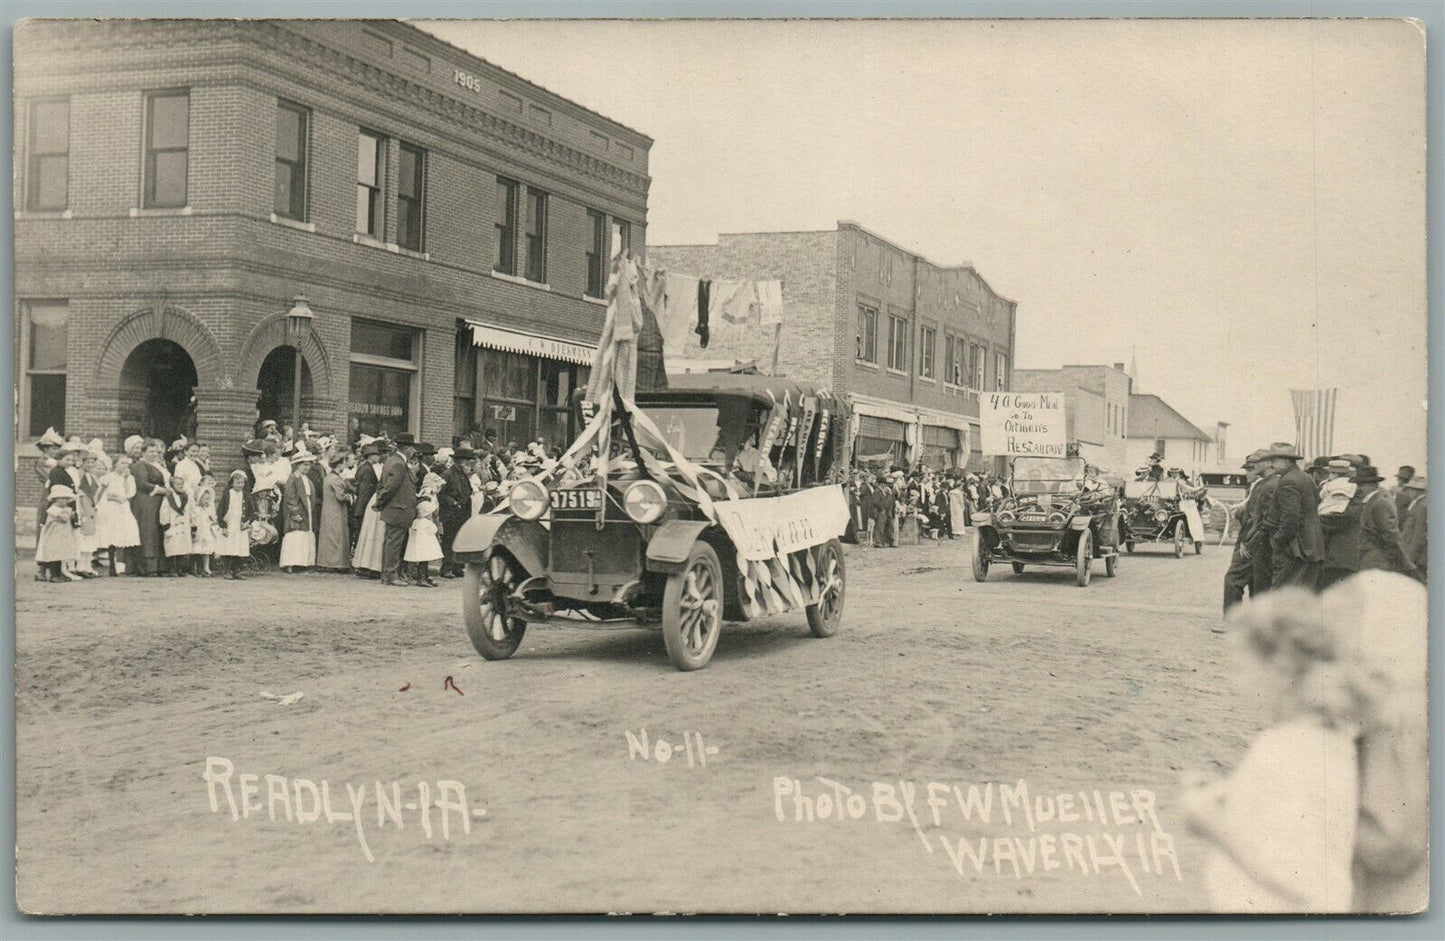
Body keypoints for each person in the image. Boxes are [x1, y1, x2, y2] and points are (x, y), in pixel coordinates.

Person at [1182, 587, 1362, 912]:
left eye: (1241, 666)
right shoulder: (1327, 737)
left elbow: (1304, 881)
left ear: (1278, 668)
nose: (1237, 681)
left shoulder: (1285, 748)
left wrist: (1209, 822)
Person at [1259, 443, 1323, 590]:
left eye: (1275, 460)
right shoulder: (1305, 478)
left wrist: (1277, 542)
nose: (1271, 464)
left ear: (1287, 461)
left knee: (1281, 597)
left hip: (1294, 550)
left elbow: (1290, 518)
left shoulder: (1288, 481)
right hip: (1310, 547)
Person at [1350, 465, 1420, 581]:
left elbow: (1391, 536)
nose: (1358, 488)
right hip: (1370, 561)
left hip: (1378, 562)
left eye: (1361, 485)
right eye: (1357, 484)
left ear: (1373, 485)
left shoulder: (1379, 503)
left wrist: (1406, 564)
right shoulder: (1370, 502)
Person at [1222, 450, 1268, 613]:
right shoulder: (1257, 486)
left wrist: (1246, 543)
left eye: (1250, 469)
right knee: (1257, 584)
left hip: (1250, 543)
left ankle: (1232, 620)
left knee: (1233, 580)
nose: (1247, 473)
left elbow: (1254, 518)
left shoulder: (1262, 486)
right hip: (1256, 543)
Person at [374, 433, 419, 587]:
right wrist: (381, 501)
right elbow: (390, 487)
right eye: (412, 447)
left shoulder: (391, 461)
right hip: (399, 509)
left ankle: (388, 574)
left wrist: (380, 502)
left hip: (396, 509)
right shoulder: (399, 463)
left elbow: (382, 484)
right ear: (406, 448)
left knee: (390, 542)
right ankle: (391, 575)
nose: (413, 451)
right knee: (394, 543)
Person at [131, 438, 171, 576]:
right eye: (151, 451)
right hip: (146, 501)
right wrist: (162, 490)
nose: (154, 454)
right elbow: (143, 484)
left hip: (159, 502)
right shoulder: (140, 465)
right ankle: (147, 568)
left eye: (156, 451)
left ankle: (161, 566)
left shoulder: (159, 465)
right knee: (149, 532)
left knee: (158, 531)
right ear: (143, 452)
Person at [95, 453, 140, 576]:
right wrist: (110, 497)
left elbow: (130, 492)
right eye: (122, 463)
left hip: (124, 506)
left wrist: (125, 478)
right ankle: (112, 566)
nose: (125, 466)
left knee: (128, 532)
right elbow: (100, 492)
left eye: (126, 463)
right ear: (115, 464)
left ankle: (128, 566)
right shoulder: (108, 477)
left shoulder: (129, 478)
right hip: (111, 507)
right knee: (112, 535)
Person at [438, 445, 477, 578]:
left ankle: (457, 566)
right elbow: (440, 493)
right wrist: (453, 502)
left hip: (463, 512)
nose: (469, 464)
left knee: (460, 539)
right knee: (449, 540)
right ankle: (447, 567)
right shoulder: (447, 474)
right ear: (460, 461)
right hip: (452, 512)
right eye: (467, 461)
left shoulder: (464, 475)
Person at [279, 450, 320, 572]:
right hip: (298, 509)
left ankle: (303, 562)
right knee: (295, 535)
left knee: (305, 535)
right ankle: (290, 563)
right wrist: (295, 513)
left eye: (308, 464)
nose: (307, 467)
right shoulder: (293, 478)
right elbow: (290, 497)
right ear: (297, 465)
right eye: (304, 464)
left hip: (307, 508)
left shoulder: (307, 479)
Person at [405, 472, 446, 588]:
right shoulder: (427, 495)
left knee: (426, 552)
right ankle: (420, 577)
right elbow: (425, 510)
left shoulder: (431, 495)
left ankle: (424, 576)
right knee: (422, 552)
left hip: (427, 524)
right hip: (423, 525)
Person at [36, 485, 81, 583]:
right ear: (55, 499)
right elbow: (64, 518)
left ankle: (59, 574)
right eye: (62, 498)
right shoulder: (53, 509)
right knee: (54, 556)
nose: (64, 501)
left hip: (61, 537)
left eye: (66, 499)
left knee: (61, 555)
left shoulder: (64, 509)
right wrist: (69, 513)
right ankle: (54, 575)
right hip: (53, 537)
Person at [316, 451, 353, 573]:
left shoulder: (328, 478)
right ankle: (336, 563)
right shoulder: (336, 480)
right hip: (336, 511)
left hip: (328, 511)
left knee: (329, 537)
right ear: (339, 465)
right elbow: (341, 497)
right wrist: (351, 496)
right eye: (343, 463)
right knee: (336, 537)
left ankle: (326, 562)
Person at [216, 470, 254, 580]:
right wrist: (223, 526)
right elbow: (220, 511)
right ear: (232, 483)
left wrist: (248, 522)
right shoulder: (227, 494)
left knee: (239, 548)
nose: (240, 485)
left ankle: (237, 570)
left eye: (242, 482)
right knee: (228, 548)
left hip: (240, 526)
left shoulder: (246, 496)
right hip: (230, 525)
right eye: (237, 482)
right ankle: (227, 570)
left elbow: (252, 512)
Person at [160, 478, 193, 577]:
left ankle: (180, 569)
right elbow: (164, 511)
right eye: (178, 484)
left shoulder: (186, 497)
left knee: (182, 548)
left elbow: (191, 510)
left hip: (184, 526)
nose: (180, 486)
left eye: (182, 484)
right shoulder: (168, 498)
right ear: (172, 486)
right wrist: (166, 524)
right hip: (173, 525)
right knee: (172, 548)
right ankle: (171, 569)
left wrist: (192, 524)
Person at [188, 479, 218, 577]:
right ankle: (194, 568)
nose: (207, 501)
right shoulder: (196, 510)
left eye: (209, 499)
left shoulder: (207, 510)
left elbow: (211, 520)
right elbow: (194, 521)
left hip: (206, 532)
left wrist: (213, 520)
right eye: (205, 499)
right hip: (198, 533)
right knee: (196, 550)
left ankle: (206, 568)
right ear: (199, 499)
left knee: (206, 551)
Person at [1398, 475, 1426, 579]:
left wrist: (1410, 558)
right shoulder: (1418, 503)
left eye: (1410, 489)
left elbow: (1419, 535)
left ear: (1417, 491)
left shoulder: (1422, 506)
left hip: (1416, 557)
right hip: (1413, 553)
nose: (1408, 492)